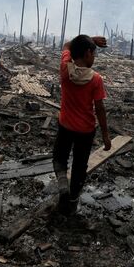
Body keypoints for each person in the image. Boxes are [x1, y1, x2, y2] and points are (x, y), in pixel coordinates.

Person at [53, 34, 110, 215]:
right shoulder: (96, 79)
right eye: (93, 54)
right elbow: (99, 109)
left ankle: (63, 184)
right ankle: (72, 202)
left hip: (65, 125)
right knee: (79, 166)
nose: (94, 58)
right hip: (85, 131)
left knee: (60, 158)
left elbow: (67, 45)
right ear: (87, 53)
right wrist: (106, 136)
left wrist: (90, 38)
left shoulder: (64, 68)